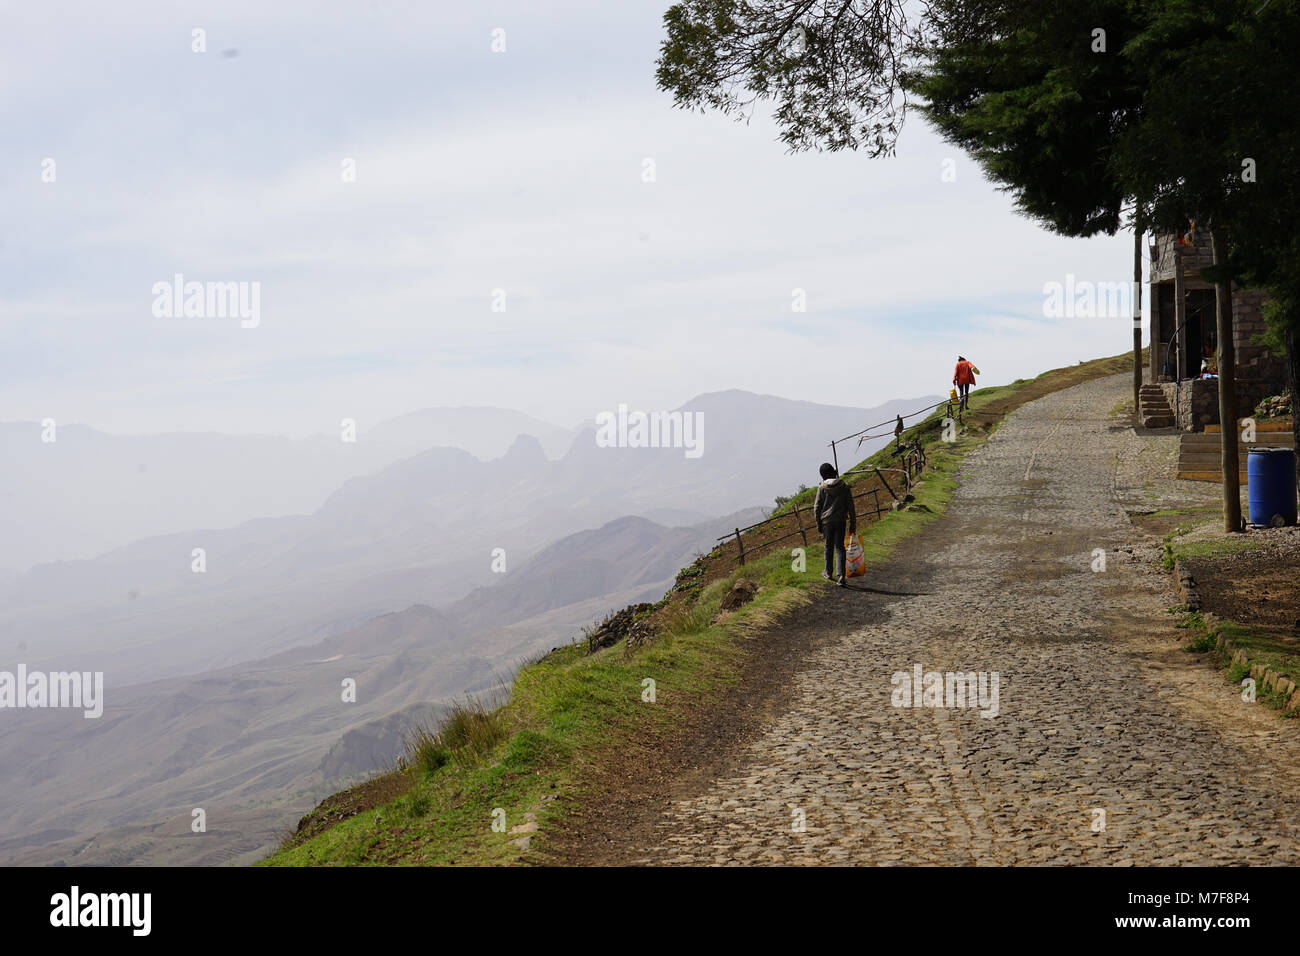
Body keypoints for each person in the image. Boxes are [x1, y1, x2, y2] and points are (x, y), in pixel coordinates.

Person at [813, 462, 855, 587]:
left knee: (828, 546)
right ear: (833, 472)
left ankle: (828, 572)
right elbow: (851, 507)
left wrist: (818, 524)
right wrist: (853, 523)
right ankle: (841, 575)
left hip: (827, 522)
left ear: (823, 476)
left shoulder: (822, 488)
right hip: (841, 520)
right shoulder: (845, 486)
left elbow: (816, 508)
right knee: (840, 547)